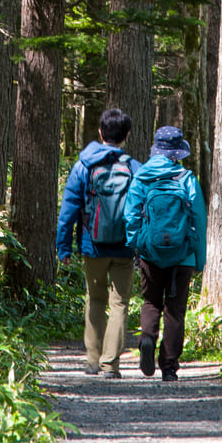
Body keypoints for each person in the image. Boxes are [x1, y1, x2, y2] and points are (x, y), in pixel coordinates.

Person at [56, 108, 139, 377]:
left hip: (92, 245)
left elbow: (69, 209)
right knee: (119, 304)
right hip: (124, 247)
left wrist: (63, 246)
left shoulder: (84, 166)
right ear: (126, 135)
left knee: (95, 300)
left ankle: (93, 361)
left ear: (101, 132)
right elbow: (143, 209)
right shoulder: (134, 168)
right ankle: (110, 365)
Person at [123, 125, 206, 381]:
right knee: (175, 310)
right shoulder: (187, 179)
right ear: (177, 153)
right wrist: (199, 259)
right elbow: (199, 220)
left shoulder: (142, 178)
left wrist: (137, 246)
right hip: (183, 254)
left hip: (150, 252)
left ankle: (147, 339)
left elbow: (130, 216)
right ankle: (169, 367)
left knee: (151, 302)